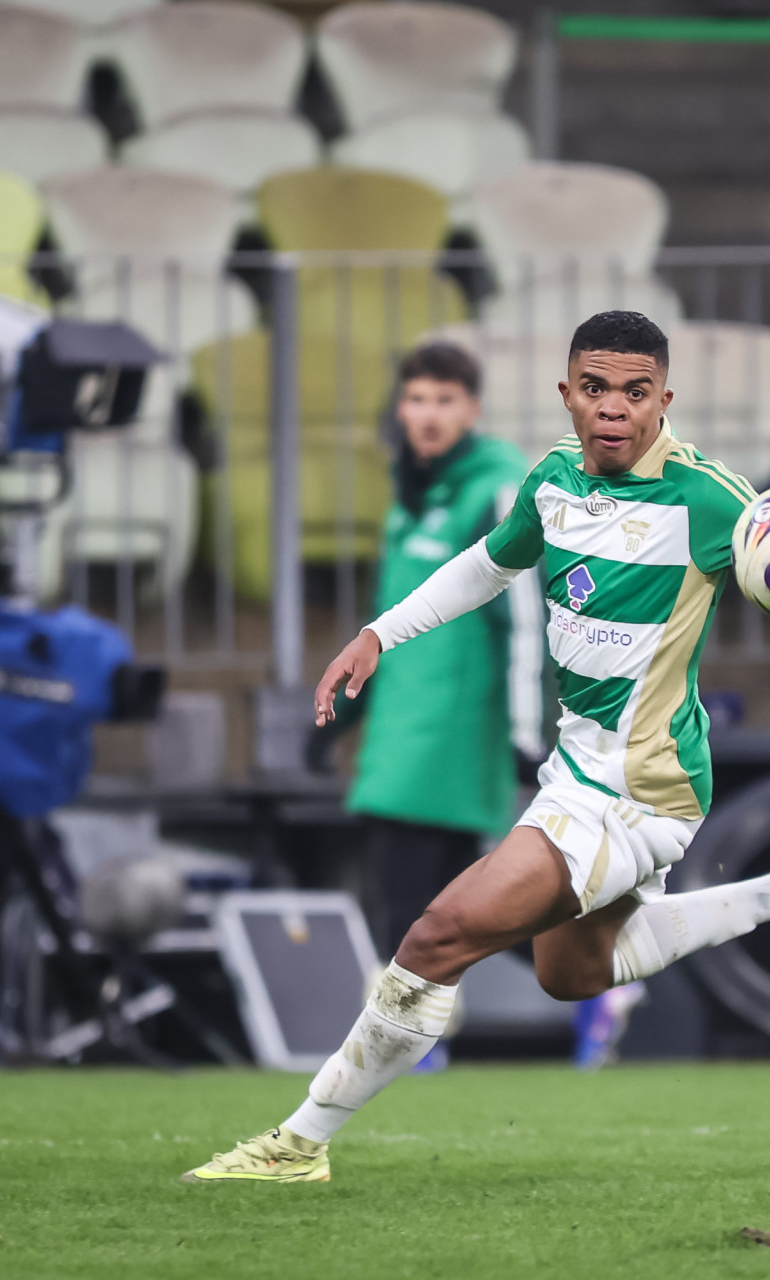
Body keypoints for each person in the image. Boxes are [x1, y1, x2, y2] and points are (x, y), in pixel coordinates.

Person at [184, 311, 770, 1183]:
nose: (614, 408)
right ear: (568, 394)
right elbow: (489, 563)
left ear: (663, 400)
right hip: (576, 771)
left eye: (635, 392)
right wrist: (379, 634)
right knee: (572, 972)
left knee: (436, 936)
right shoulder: (552, 478)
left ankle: (298, 1143)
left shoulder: (708, 499)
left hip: (643, 785)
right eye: (596, 389)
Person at [311, 343, 544, 967]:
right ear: (401, 409)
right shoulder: (411, 496)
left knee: (415, 910)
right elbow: (385, 622)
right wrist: (344, 714)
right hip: (399, 732)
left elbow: (524, 621)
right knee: (457, 913)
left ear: (473, 410)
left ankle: (603, 974)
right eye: (417, 399)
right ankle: (604, 978)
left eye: (445, 400)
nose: (429, 414)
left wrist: (523, 734)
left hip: (449, 733)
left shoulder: (497, 490)